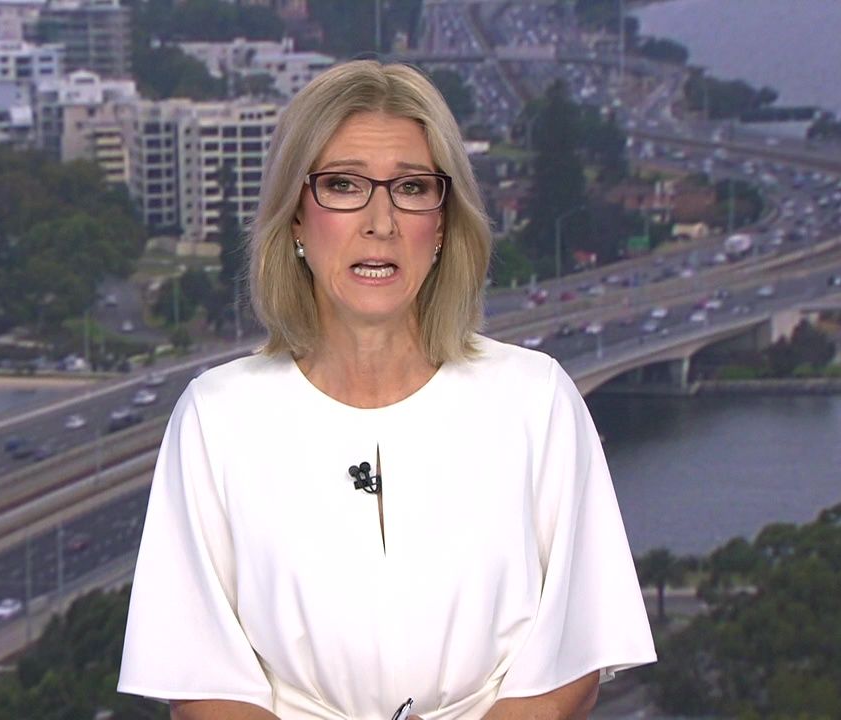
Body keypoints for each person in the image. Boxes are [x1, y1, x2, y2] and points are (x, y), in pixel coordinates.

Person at [118, 60, 655, 720]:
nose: (381, 221)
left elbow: (574, 659)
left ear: (444, 223)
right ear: (295, 218)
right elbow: (203, 684)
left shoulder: (535, 401)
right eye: (343, 185)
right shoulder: (217, 417)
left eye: (411, 187)